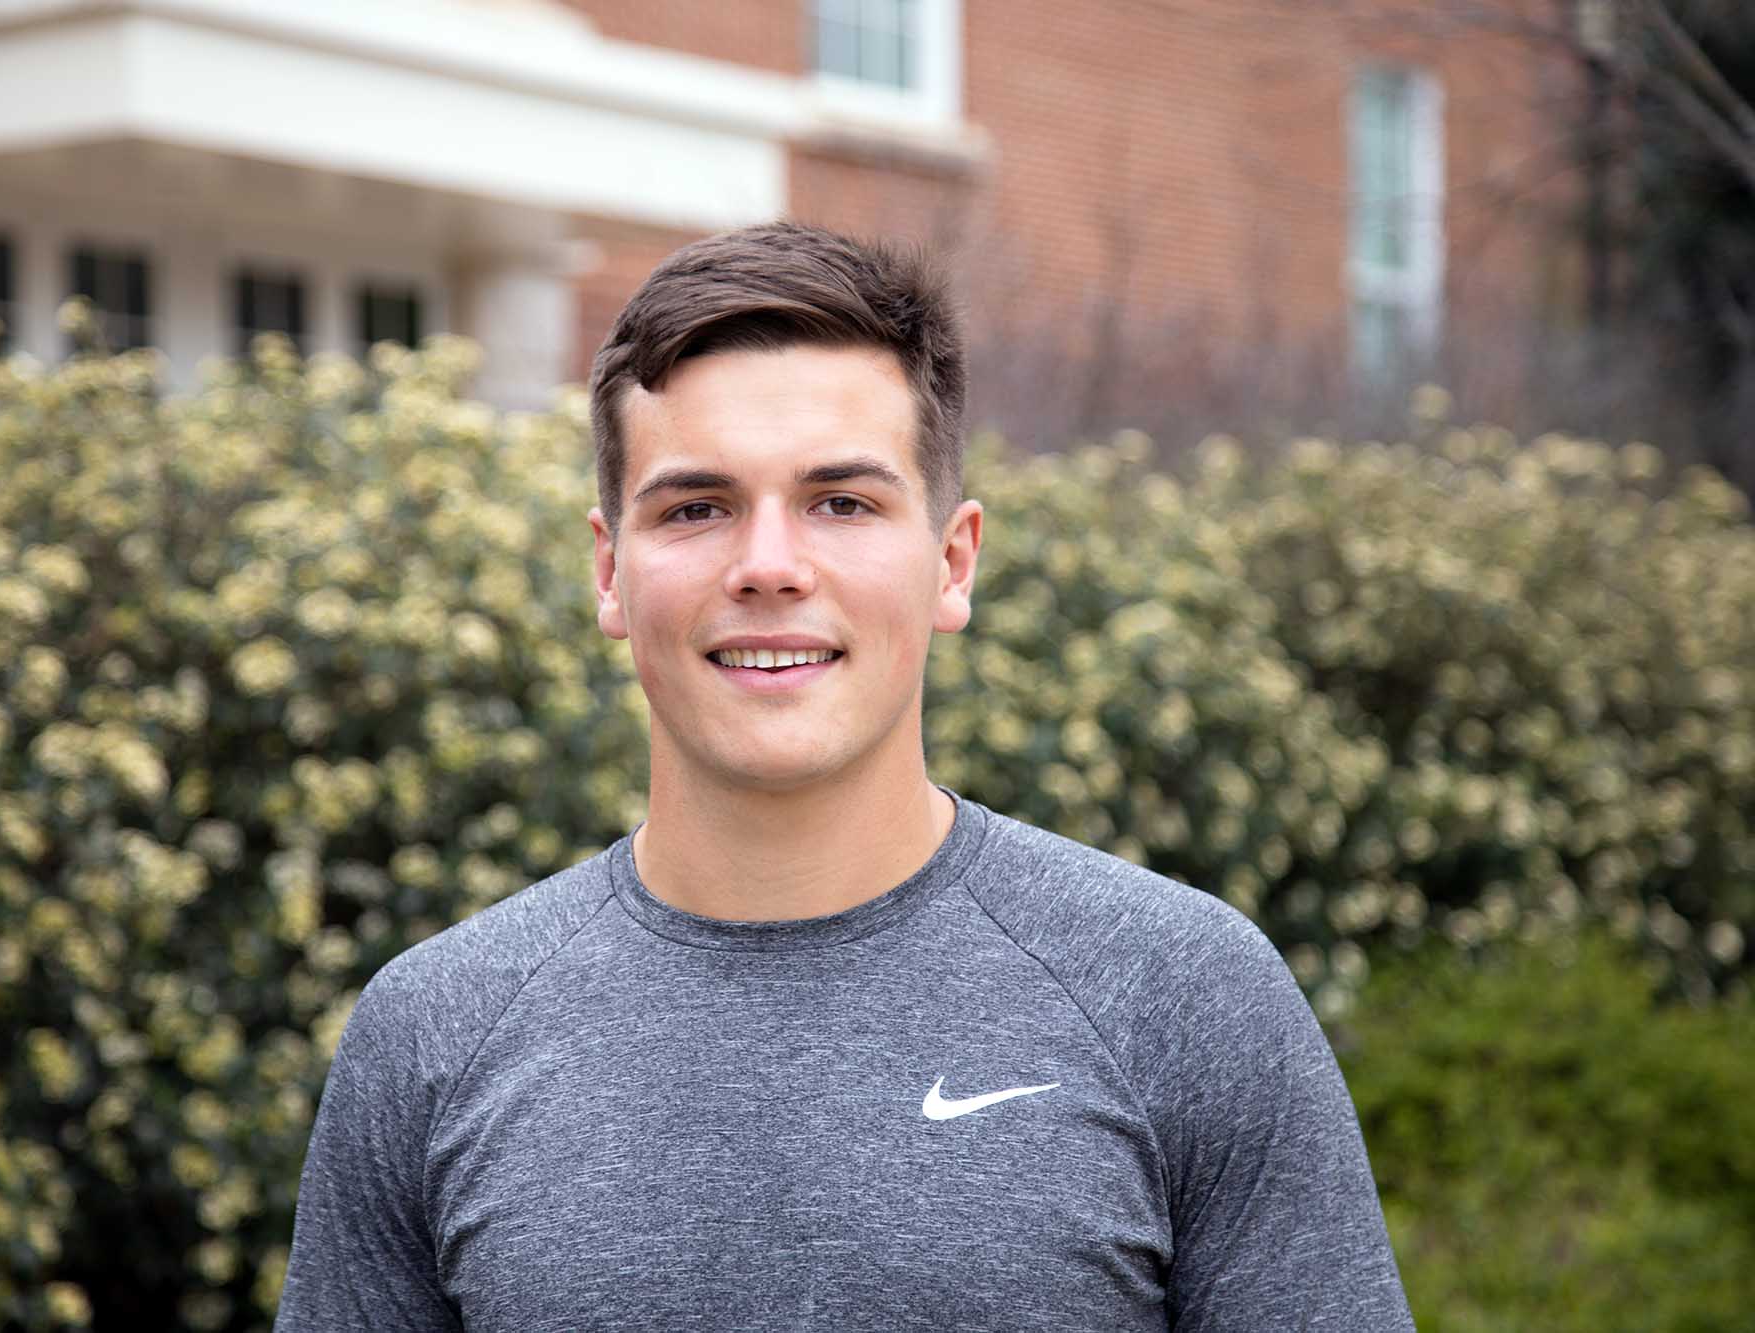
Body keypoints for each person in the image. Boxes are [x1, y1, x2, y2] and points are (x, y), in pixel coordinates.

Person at [274, 221, 1415, 1331]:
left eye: (842, 502)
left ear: (951, 561)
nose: (768, 565)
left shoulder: (1182, 993)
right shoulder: (433, 1033)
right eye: (696, 507)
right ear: (610, 571)